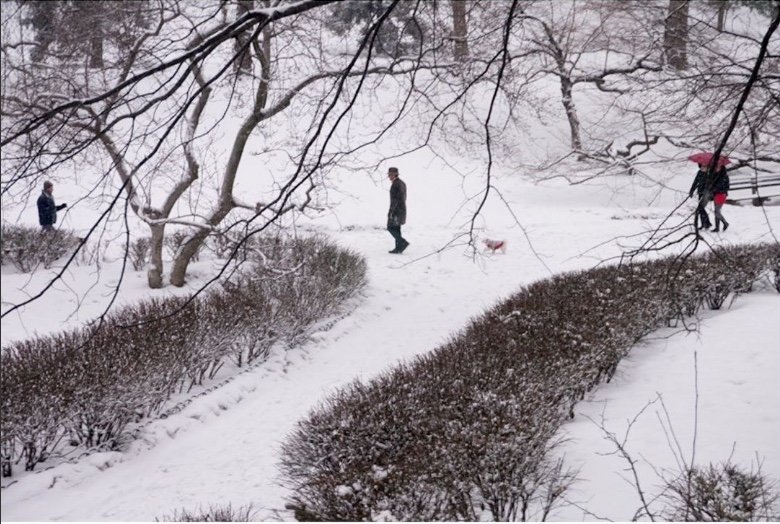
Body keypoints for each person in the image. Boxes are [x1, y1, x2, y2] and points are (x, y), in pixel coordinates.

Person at [386, 167, 409, 254]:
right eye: (389, 174)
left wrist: (391, 211)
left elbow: (395, 200)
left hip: (396, 210)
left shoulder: (396, 184)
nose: (389, 176)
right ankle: (398, 248)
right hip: (401, 209)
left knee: (390, 227)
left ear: (395, 174)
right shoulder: (402, 183)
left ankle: (402, 242)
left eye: (391, 174)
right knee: (396, 228)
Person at [688, 164, 712, 230]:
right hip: (700, 193)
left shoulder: (710, 173)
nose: (702, 168)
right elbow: (695, 182)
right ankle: (706, 224)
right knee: (701, 209)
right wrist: (691, 191)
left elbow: (711, 184)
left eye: (704, 166)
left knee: (700, 208)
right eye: (701, 167)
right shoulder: (699, 173)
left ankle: (705, 224)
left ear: (707, 167)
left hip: (706, 194)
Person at [711, 165, 730, 232]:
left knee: (717, 211)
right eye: (716, 167)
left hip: (721, 195)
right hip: (715, 195)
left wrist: (717, 189)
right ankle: (717, 227)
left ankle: (725, 223)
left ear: (721, 168)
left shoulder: (724, 176)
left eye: (718, 167)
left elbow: (727, 187)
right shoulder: (714, 175)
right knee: (716, 211)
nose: (716, 168)